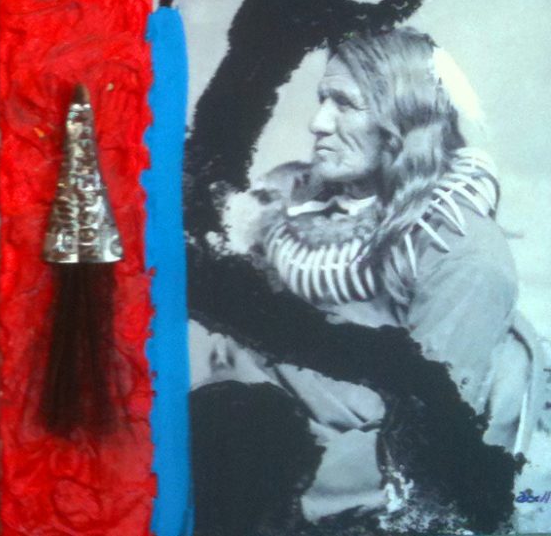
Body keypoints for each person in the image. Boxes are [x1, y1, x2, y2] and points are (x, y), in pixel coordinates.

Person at [198, 28, 549, 529]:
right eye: (323, 99)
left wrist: (274, 490)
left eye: (345, 104)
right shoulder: (295, 217)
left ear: (403, 120)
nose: (318, 123)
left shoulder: (463, 254)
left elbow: (426, 436)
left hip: (360, 489)